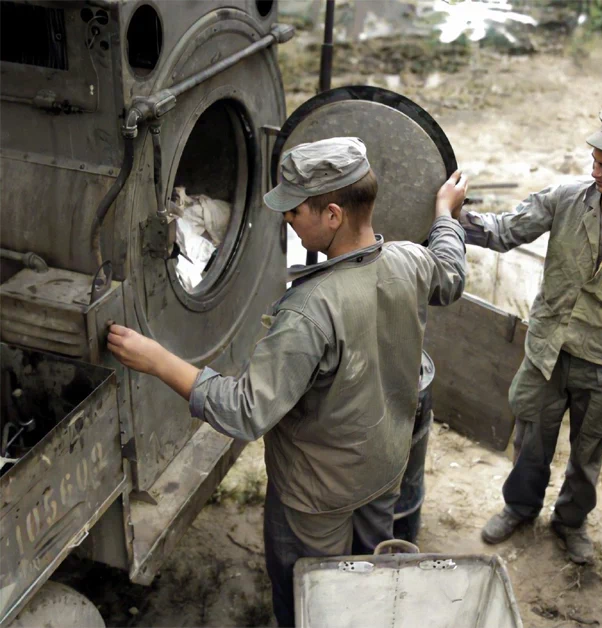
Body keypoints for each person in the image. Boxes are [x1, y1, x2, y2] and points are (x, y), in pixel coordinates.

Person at [107, 137, 469, 627]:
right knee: (368, 586)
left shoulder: (309, 310)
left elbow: (244, 411)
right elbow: (450, 272)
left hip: (314, 500)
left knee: (309, 600)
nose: (287, 220)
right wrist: (445, 215)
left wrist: (156, 360)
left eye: (295, 211)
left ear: (334, 215)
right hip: (384, 472)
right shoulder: (409, 260)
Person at [464, 108, 602, 564]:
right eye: (594, 160)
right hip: (547, 352)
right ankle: (520, 507)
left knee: (587, 458)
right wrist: (452, 219)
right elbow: (506, 230)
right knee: (530, 442)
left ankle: (570, 522)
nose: (595, 172)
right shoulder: (568, 199)